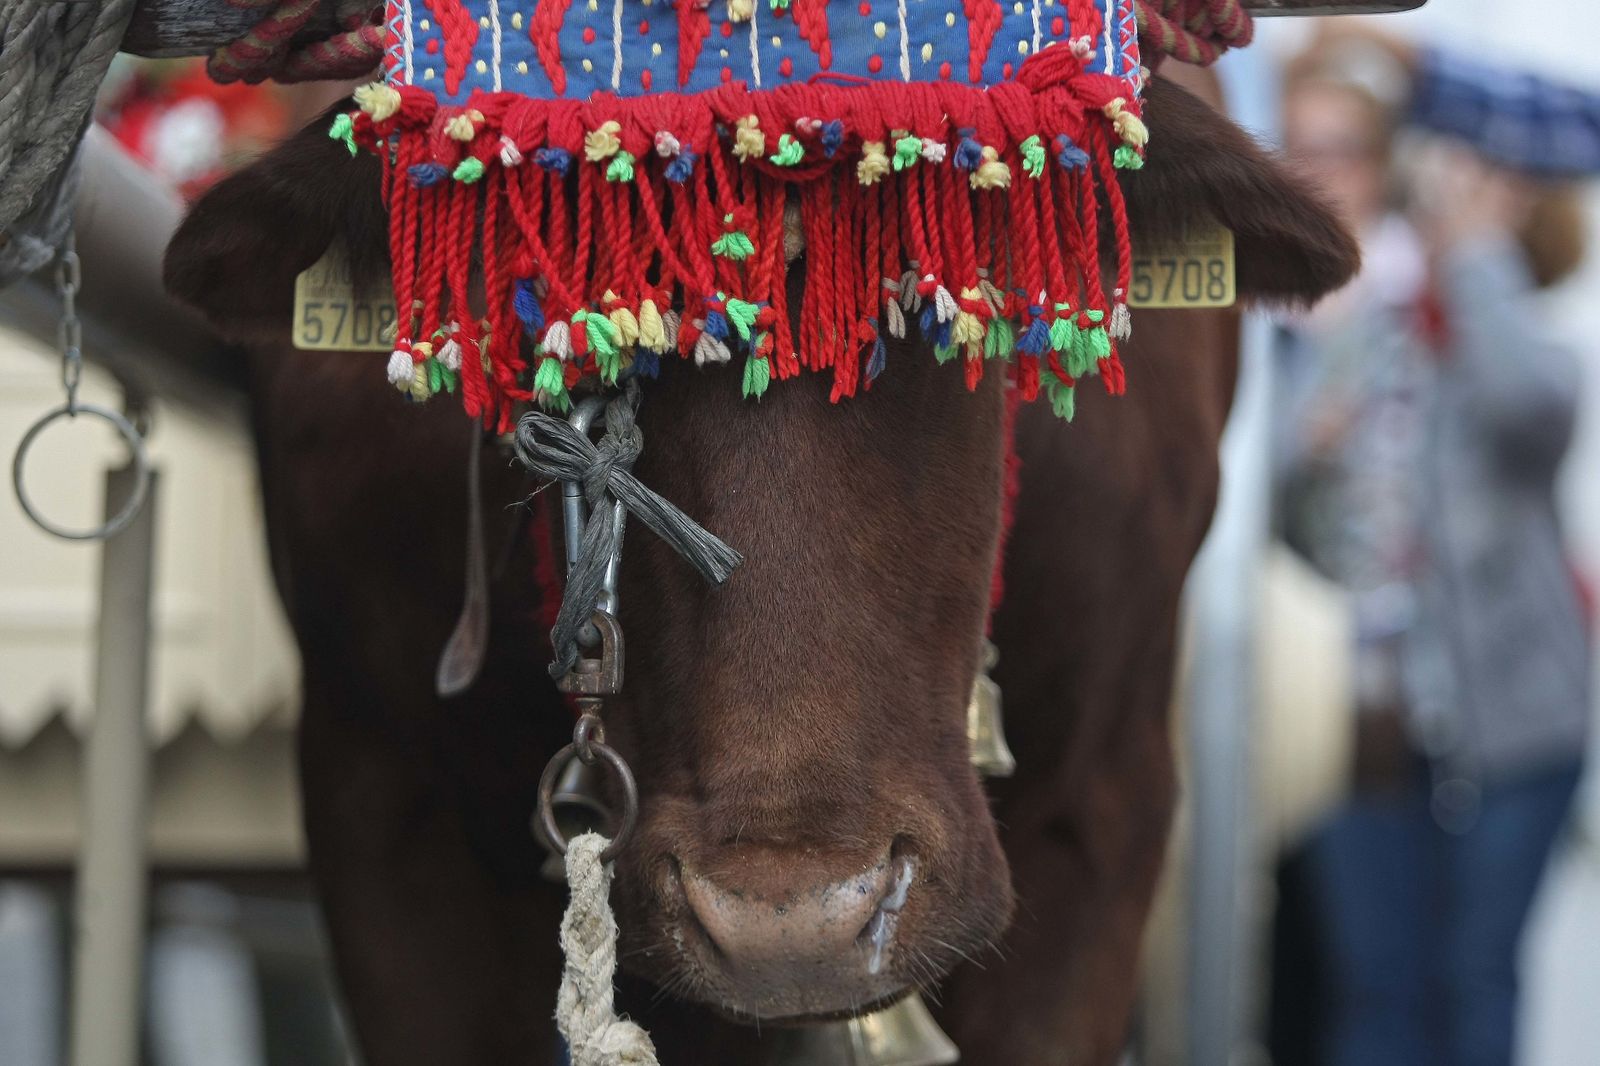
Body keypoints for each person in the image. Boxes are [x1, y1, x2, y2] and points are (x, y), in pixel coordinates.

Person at [1273, 41, 1592, 1066]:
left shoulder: (1464, 296)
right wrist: (1310, 396)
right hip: (1357, 723)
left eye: (1349, 150)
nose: (1326, 174)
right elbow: (1244, 503)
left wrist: (1471, 250)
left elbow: (1534, 407)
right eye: (1300, 150)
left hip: (1512, 725)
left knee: (1474, 982)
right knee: (1374, 993)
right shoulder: (1300, 319)